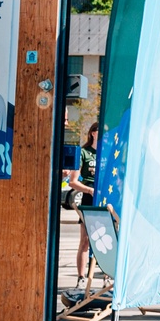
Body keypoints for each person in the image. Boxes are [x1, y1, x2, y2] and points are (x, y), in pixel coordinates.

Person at [62, 122, 99, 301]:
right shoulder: (84, 153)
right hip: (89, 196)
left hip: (105, 199)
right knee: (85, 240)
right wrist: (88, 190)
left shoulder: (109, 152)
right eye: (100, 131)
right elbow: (72, 181)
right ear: (93, 133)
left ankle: (106, 275)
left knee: (106, 239)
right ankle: (81, 277)